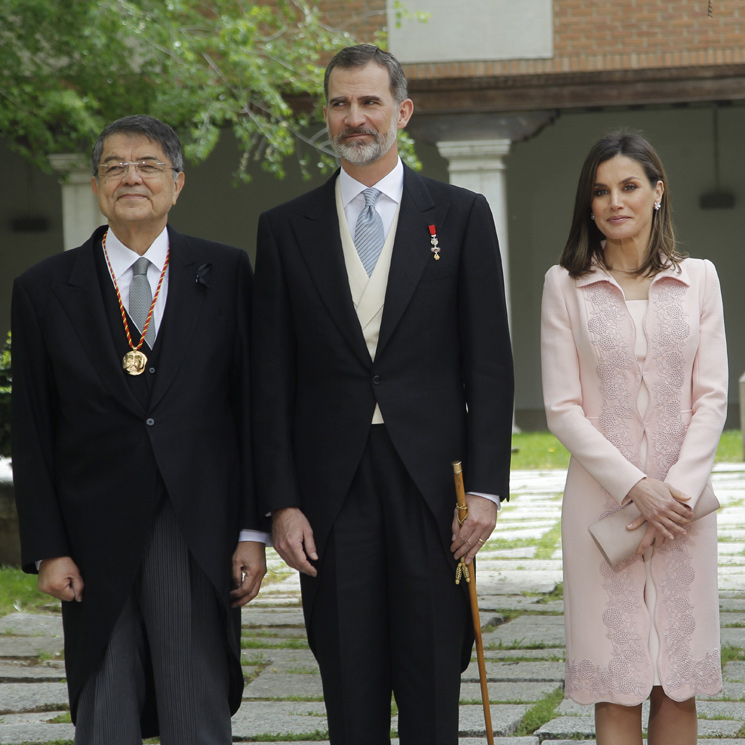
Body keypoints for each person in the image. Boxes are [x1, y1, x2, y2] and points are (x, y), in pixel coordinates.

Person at [251, 44, 514, 744]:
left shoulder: (459, 215)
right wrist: (281, 500)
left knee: (433, 672)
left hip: (433, 485)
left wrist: (486, 488)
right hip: (328, 490)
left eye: (369, 102)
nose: (353, 117)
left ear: (402, 111)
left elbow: (488, 362)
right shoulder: (283, 229)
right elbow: (269, 378)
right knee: (348, 676)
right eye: (339, 103)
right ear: (326, 115)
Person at [11, 115, 267, 744]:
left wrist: (251, 530)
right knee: (106, 704)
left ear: (177, 184)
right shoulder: (45, 289)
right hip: (90, 530)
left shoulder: (227, 272)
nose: (132, 177)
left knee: (194, 699)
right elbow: (33, 428)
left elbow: (252, 411)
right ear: (98, 187)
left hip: (195, 524)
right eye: (114, 166)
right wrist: (47, 546)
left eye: (148, 165)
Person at [541, 131, 727, 745]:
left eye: (628, 186)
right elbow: (563, 409)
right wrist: (635, 487)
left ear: (657, 193)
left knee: (677, 682)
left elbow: (712, 399)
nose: (614, 201)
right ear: (588, 204)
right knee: (617, 683)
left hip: (683, 509)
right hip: (603, 508)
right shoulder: (563, 286)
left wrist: (673, 491)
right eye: (600, 191)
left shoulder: (699, 279)